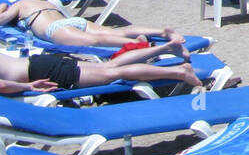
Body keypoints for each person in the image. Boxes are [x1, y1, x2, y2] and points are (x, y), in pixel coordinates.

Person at [0, 0, 191, 54]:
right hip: (73, 21)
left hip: (55, 29)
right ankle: (162, 31)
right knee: (115, 31)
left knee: (96, 41)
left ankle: (147, 46)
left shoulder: (21, 4)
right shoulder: (49, 3)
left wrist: (3, 7)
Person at [0, 43, 201, 94]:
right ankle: (165, 48)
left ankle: (179, 72)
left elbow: (1, 85)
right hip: (37, 62)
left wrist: (28, 88)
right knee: (109, 66)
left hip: (40, 73)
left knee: (113, 73)